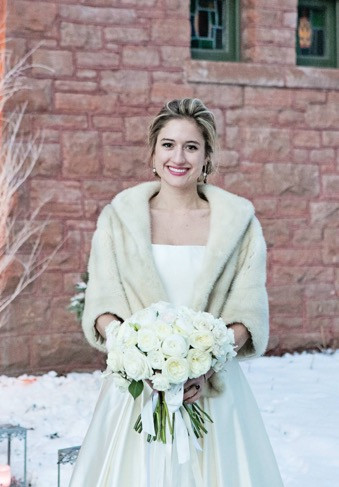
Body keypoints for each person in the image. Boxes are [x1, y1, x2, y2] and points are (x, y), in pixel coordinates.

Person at [69, 98, 284, 486]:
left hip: (213, 390)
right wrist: (137, 356)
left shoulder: (240, 226)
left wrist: (203, 364)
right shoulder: (119, 219)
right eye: (168, 144)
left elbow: (247, 310)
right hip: (135, 392)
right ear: (153, 153)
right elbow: (102, 302)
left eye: (191, 146)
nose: (178, 157)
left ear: (207, 157)